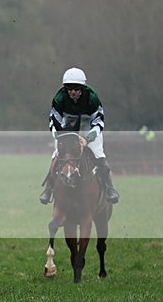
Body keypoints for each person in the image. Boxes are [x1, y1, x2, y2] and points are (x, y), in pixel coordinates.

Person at [38, 67, 119, 204]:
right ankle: (49, 188)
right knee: (57, 155)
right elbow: (54, 120)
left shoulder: (92, 97)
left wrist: (87, 139)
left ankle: (109, 188)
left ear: (82, 88)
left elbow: (98, 121)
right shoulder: (59, 97)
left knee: (99, 155)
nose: (73, 92)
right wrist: (61, 137)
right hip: (68, 131)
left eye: (76, 89)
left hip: (89, 131)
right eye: (69, 89)